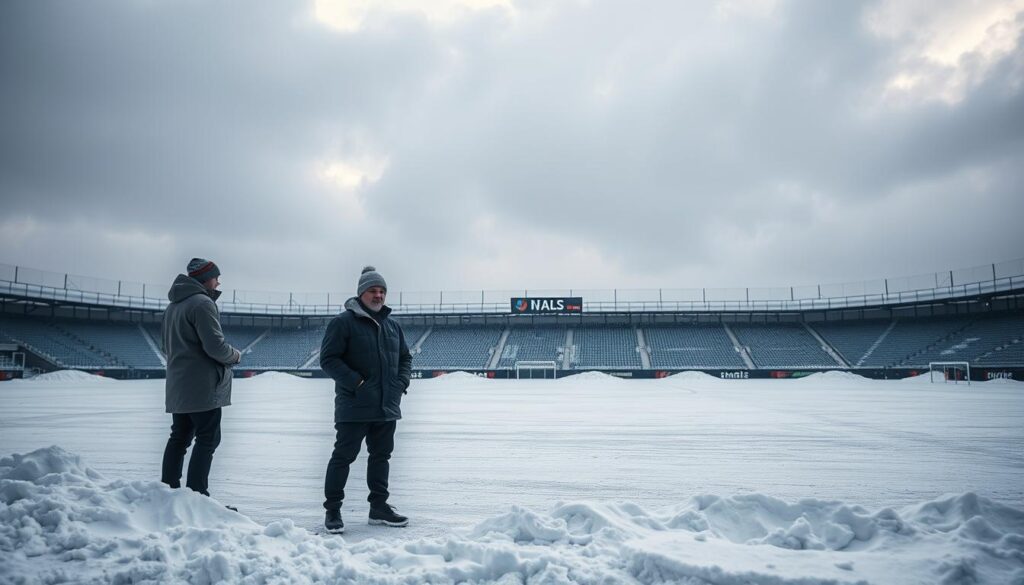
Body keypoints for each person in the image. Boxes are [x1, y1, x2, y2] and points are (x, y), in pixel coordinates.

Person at [320, 265, 412, 534]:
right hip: (354, 405)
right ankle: (333, 509)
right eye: (373, 290)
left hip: (386, 405)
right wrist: (357, 383)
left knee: (381, 457)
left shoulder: (393, 326)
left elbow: (405, 358)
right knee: (343, 457)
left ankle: (379, 507)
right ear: (361, 293)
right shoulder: (342, 323)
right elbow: (328, 360)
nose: (379, 295)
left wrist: (401, 383)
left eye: (382, 291)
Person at [160, 258, 241, 500]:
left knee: (179, 437)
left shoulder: (173, 306)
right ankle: (198, 496)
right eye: (216, 278)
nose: (218, 282)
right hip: (202, 387)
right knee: (208, 438)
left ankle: (168, 491)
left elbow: (164, 346)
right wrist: (235, 356)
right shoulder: (202, 303)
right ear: (206, 279)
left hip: (179, 385)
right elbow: (215, 346)